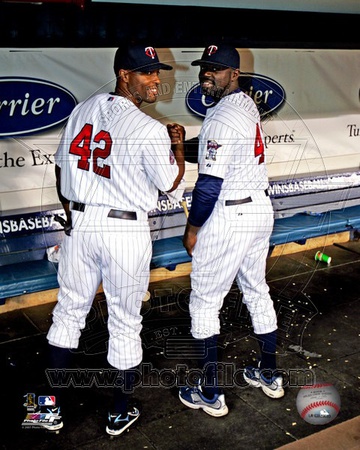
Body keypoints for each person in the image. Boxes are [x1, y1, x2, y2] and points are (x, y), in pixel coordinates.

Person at [46, 43, 185, 435]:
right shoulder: (148, 128)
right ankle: (118, 412)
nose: (155, 79)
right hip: (123, 231)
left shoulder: (82, 110)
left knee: (68, 312)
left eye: (157, 71)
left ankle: (50, 408)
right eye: (146, 72)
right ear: (124, 75)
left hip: (82, 224)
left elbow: (60, 170)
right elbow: (171, 187)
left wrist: (73, 213)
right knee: (124, 322)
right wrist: (177, 145)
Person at [176, 43, 284, 417]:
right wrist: (179, 146)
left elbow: (208, 186)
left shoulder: (221, 116)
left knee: (204, 302)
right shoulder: (245, 105)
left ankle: (210, 394)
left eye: (216, 69)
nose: (207, 74)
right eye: (204, 67)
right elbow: (213, 150)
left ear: (233, 74)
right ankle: (268, 374)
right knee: (257, 290)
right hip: (258, 211)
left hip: (230, 215)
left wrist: (193, 228)